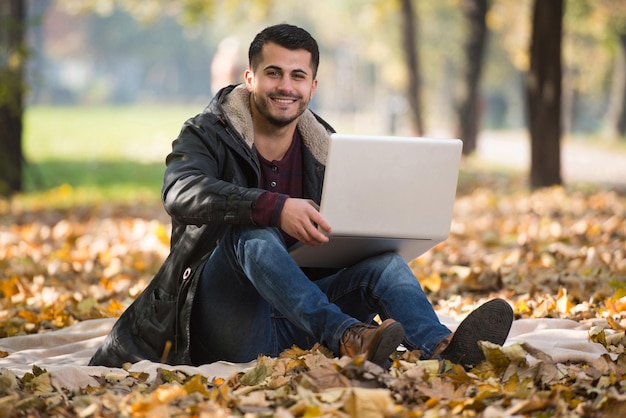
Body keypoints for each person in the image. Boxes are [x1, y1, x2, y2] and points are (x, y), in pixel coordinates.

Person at [90, 23, 513, 370]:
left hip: (297, 322)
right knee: (250, 234)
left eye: (297, 76)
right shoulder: (206, 133)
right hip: (226, 324)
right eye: (273, 73)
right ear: (250, 78)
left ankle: (443, 348)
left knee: (385, 264)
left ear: (312, 86)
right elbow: (181, 191)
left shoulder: (328, 150)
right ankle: (348, 336)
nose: (285, 86)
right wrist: (274, 207)